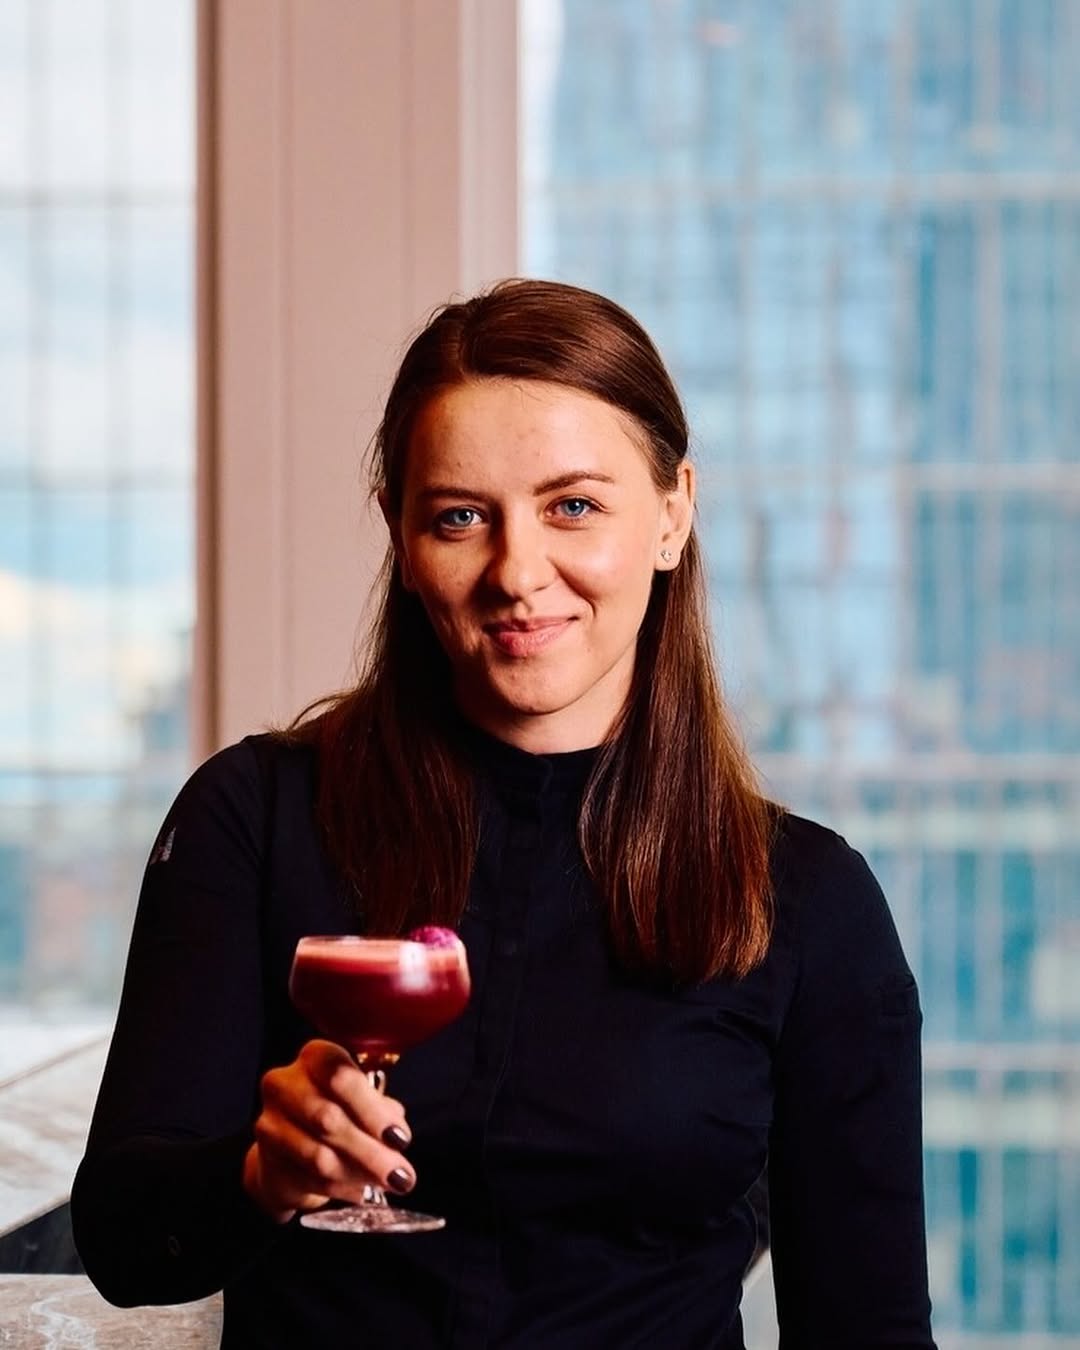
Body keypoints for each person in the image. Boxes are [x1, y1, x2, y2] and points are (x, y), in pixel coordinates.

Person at [71, 278, 936, 1348]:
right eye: (460, 517)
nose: (518, 573)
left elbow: (867, 1330)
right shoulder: (254, 819)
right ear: (402, 535)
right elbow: (122, 1243)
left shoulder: (806, 899)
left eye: (574, 506)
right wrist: (260, 1174)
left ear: (672, 515)